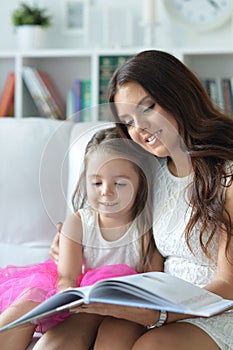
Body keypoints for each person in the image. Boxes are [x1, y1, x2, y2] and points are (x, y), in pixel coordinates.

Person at [49, 50, 233, 350]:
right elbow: (111, 226)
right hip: (165, 300)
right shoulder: (148, 174)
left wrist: (158, 314)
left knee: (153, 345)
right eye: (129, 121)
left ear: (179, 95)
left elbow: (229, 286)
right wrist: (71, 242)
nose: (140, 129)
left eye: (147, 108)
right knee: (112, 333)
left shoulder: (227, 174)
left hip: (219, 306)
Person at [0, 126, 159, 350]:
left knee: (91, 332)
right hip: (78, 296)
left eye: (120, 183)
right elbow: (66, 277)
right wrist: (68, 296)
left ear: (141, 182)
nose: (106, 191)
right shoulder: (79, 223)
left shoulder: (144, 230)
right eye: (96, 183)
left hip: (119, 306)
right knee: (30, 299)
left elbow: (154, 282)